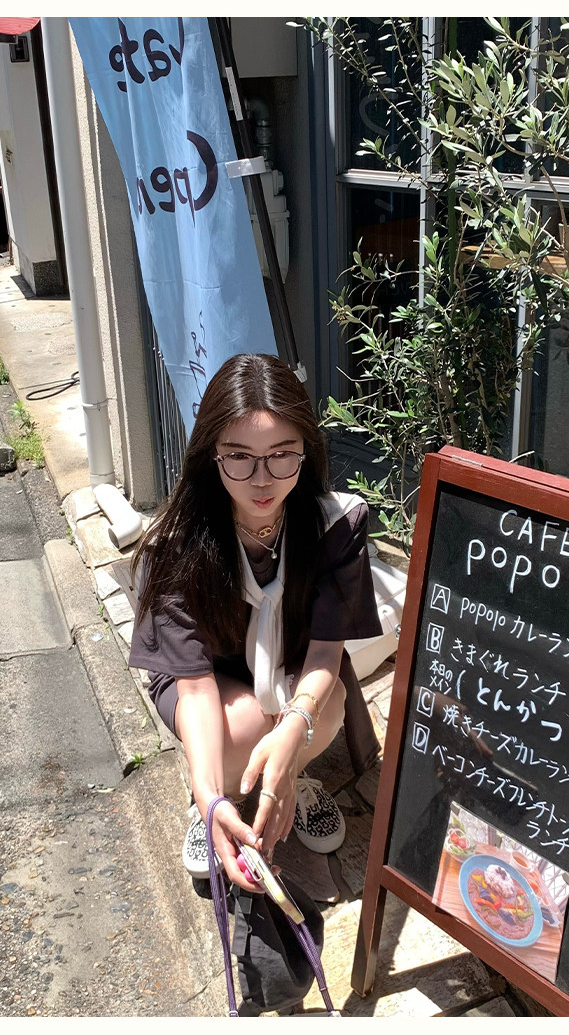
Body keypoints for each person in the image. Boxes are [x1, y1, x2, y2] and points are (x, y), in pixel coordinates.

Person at [128, 353, 383, 894]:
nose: (262, 479)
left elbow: (324, 653)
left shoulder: (336, 524)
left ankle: (291, 773)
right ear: (212, 455)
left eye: (282, 454)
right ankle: (216, 796)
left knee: (323, 708)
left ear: (306, 450)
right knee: (243, 728)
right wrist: (208, 795)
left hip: (291, 664)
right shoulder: (175, 544)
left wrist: (293, 730)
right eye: (239, 457)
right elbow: (196, 689)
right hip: (206, 679)